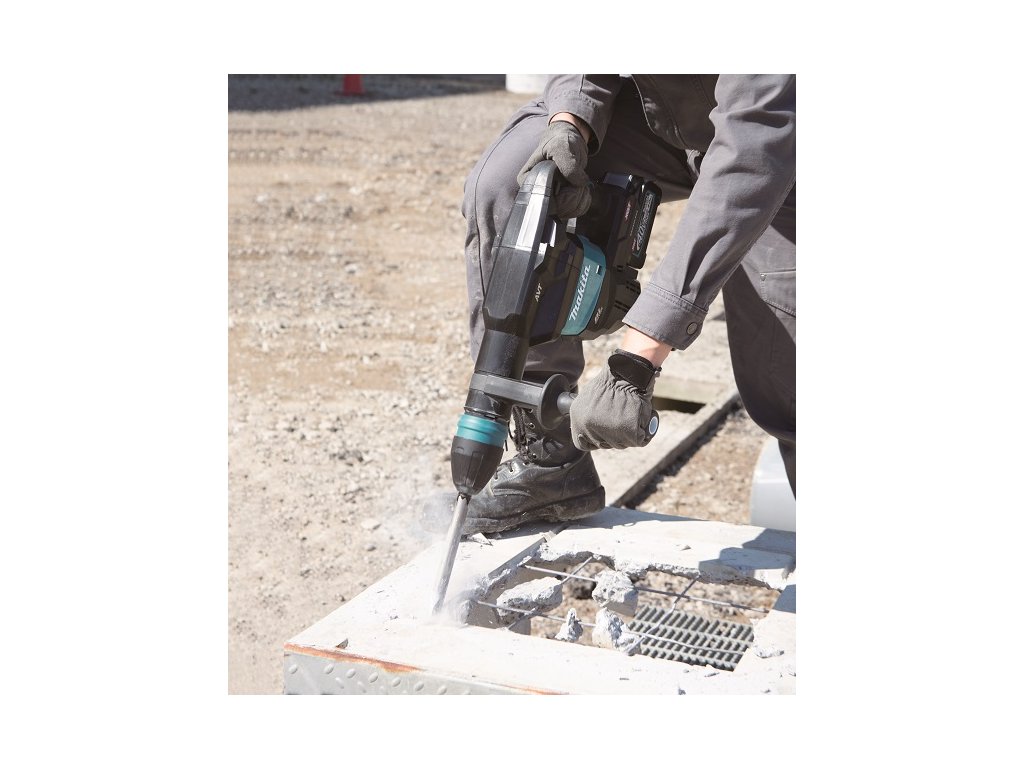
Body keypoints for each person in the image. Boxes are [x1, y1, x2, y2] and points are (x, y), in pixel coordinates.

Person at [446, 74, 795, 535]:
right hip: (667, 116)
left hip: (782, 141)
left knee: (788, 375)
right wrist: (571, 120)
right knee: (513, 183)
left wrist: (637, 359)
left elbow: (753, 145)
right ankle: (551, 463)